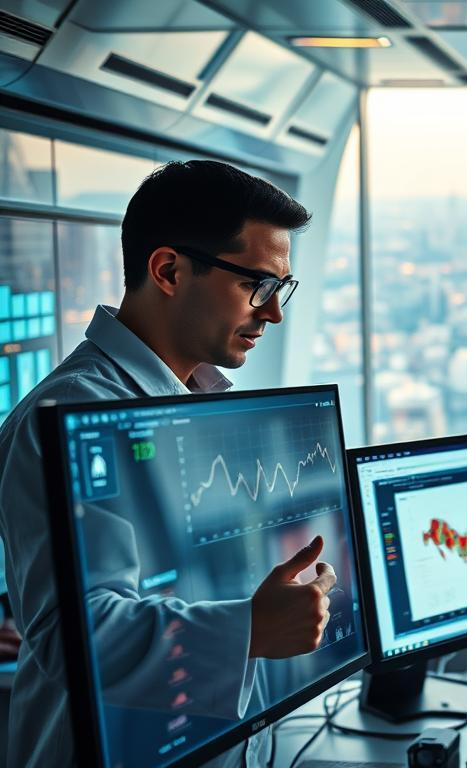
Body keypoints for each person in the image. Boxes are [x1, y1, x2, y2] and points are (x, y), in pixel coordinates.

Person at [0, 160, 332, 767]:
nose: (274, 313)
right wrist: (251, 630)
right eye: (257, 285)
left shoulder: (198, 408)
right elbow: (70, 638)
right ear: (169, 270)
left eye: (282, 290)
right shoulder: (72, 413)